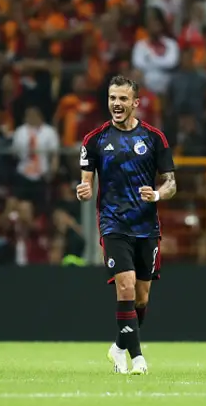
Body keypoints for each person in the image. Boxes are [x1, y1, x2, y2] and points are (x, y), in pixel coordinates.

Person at [76, 75, 176, 375]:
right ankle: (137, 358)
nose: (116, 104)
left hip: (146, 226)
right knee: (126, 285)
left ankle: (119, 346)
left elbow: (171, 183)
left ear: (135, 102)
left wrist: (157, 194)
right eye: (112, 98)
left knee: (142, 296)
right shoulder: (94, 140)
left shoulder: (154, 138)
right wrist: (83, 190)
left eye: (122, 99)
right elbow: (85, 181)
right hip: (113, 223)